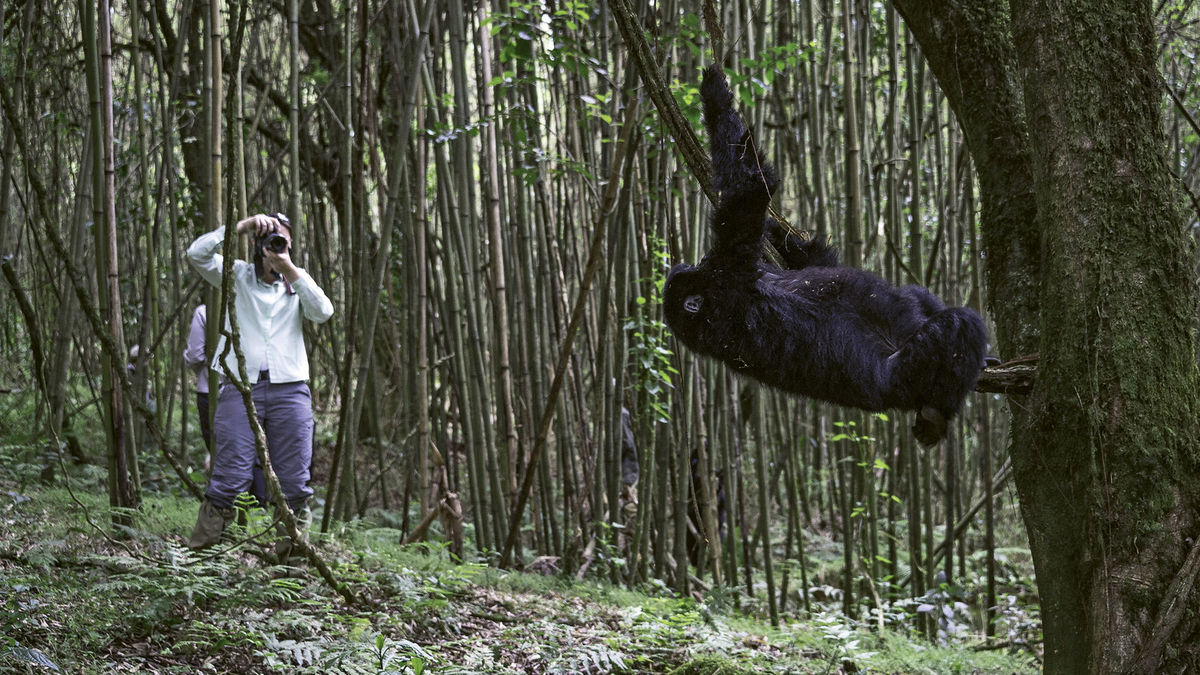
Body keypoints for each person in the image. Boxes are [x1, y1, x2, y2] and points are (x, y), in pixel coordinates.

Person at [185, 213, 334, 550]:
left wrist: (290, 270)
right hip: (240, 386)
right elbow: (196, 255)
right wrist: (242, 225)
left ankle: (293, 559)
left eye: (282, 242)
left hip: (291, 389)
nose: (276, 247)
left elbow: (323, 312)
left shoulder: (298, 284)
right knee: (230, 473)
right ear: (257, 246)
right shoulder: (237, 275)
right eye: (270, 241)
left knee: (294, 480)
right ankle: (202, 560)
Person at [183, 304, 266, 507]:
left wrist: (207, 366)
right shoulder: (252, 307)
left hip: (210, 390)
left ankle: (225, 512)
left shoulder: (204, 311)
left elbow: (194, 354)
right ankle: (255, 509)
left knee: (221, 452)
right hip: (247, 388)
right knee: (252, 452)